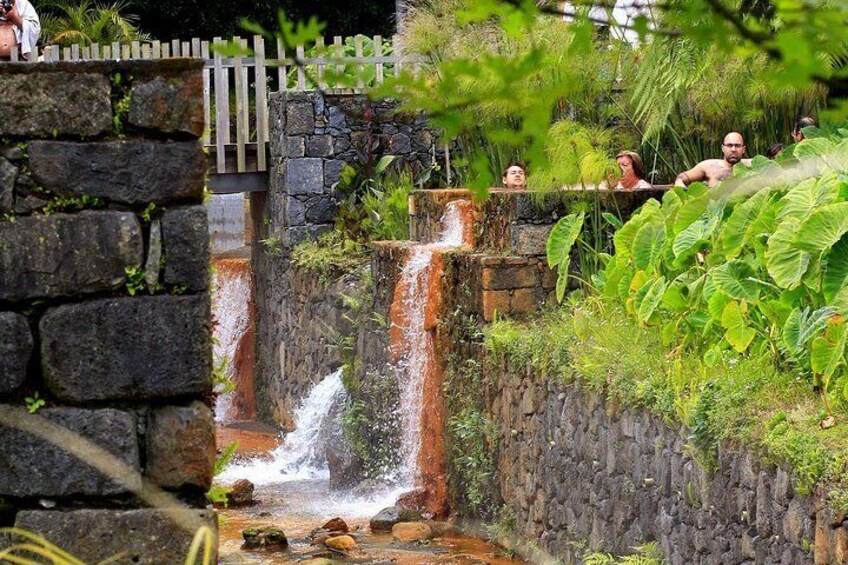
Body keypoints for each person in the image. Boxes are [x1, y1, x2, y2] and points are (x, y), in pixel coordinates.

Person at [674, 132, 751, 188]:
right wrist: (679, 184)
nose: (733, 149)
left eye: (737, 146)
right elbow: (682, 177)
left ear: (743, 149)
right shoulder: (708, 166)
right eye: (729, 145)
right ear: (723, 148)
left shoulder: (752, 165)